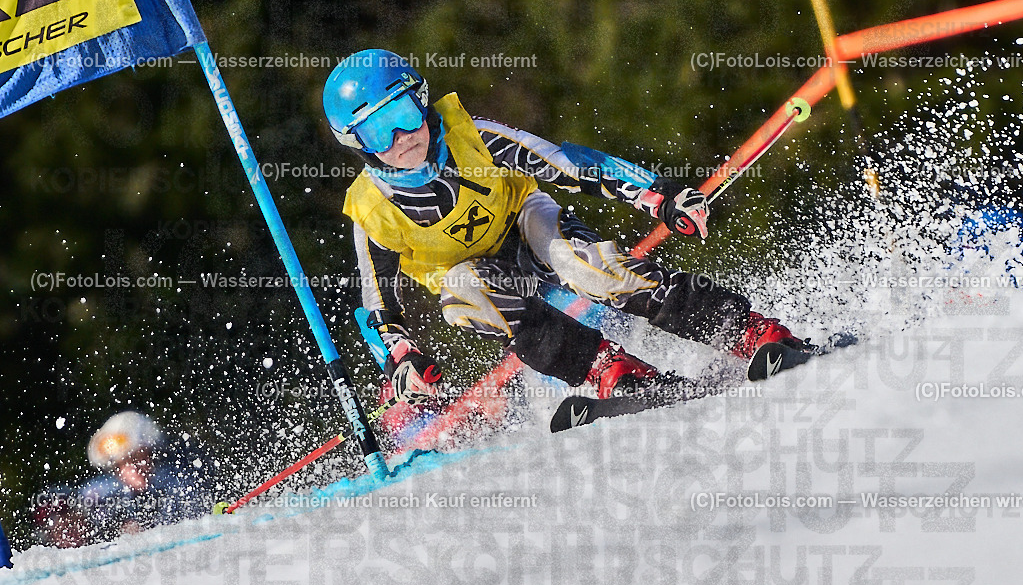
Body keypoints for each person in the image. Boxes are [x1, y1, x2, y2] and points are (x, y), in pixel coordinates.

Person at [325, 49, 806, 412]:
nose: (402, 138)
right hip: (474, 274)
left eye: (405, 115)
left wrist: (658, 194)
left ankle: (749, 331)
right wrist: (401, 357)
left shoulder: (472, 135)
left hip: (525, 222)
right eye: (378, 131)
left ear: (422, 101)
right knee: (464, 296)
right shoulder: (371, 211)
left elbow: (566, 163)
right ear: (357, 144)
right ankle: (611, 369)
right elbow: (378, 302)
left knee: (584, 266)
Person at [33, 411, 210, 546]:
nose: (129, 470)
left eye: (135, 459)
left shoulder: (179, 483)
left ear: (154, 455)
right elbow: (65, 504)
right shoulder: (106, 492)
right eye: (119, 465)